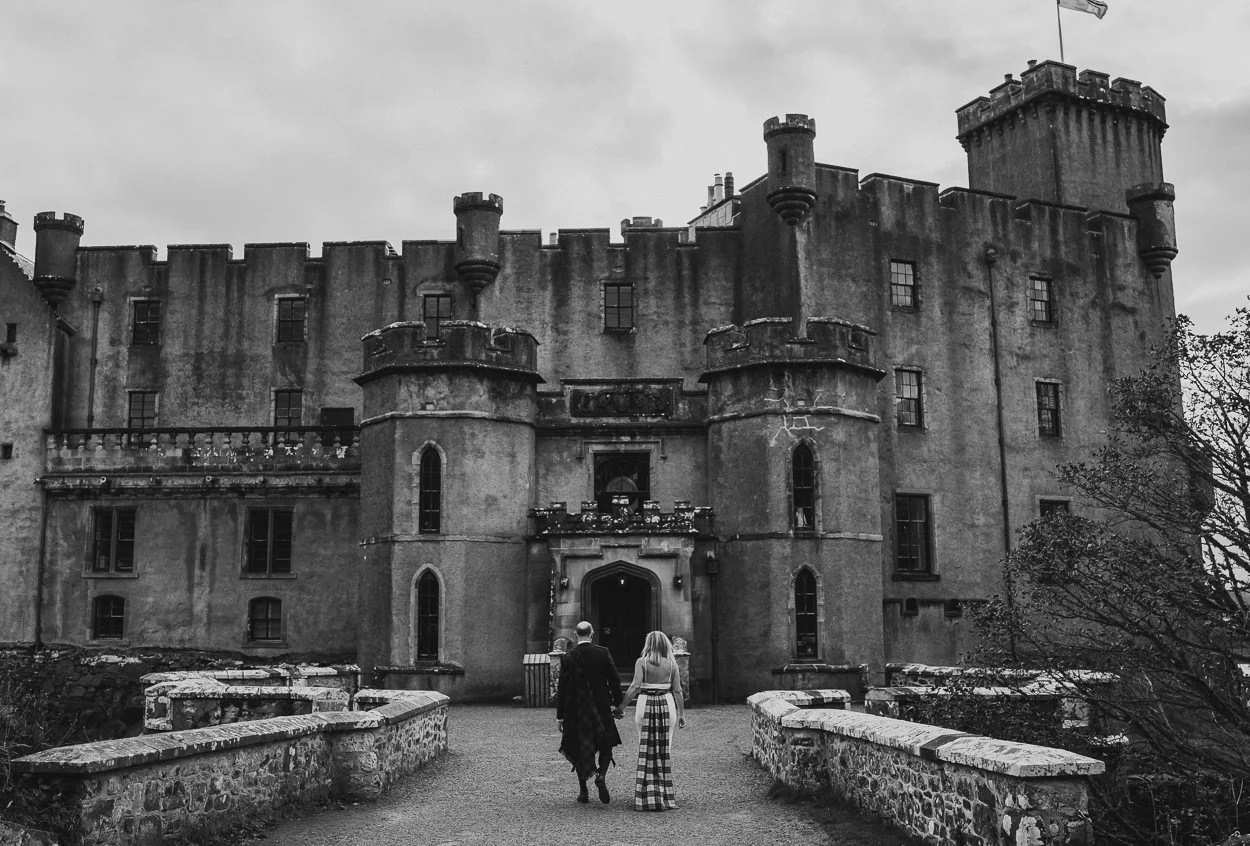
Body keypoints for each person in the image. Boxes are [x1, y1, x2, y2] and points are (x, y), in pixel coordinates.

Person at [616, 630, 686, 811]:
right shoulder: (672, 664)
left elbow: (635, 686)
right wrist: (681, 714)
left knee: (646, 749)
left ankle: (646, 796)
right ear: (665, 645)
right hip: (666, 704)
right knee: (664, 750)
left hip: (645, 703)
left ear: (648, 644)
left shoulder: (642, 662)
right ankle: (664, 795)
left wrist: (621, 707)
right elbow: (677, 691)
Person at [556, 621, 623, 804]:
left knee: (579, 747)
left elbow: (562, 688)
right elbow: (614, 681)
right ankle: (601, 775)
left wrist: (560, 715)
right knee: (605, 744)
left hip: (576, 710)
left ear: (576, 634)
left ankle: (583, 792)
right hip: (600, 707)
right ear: (592, 633)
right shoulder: (602, 653)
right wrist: (618, 705)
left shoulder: (568, 657)